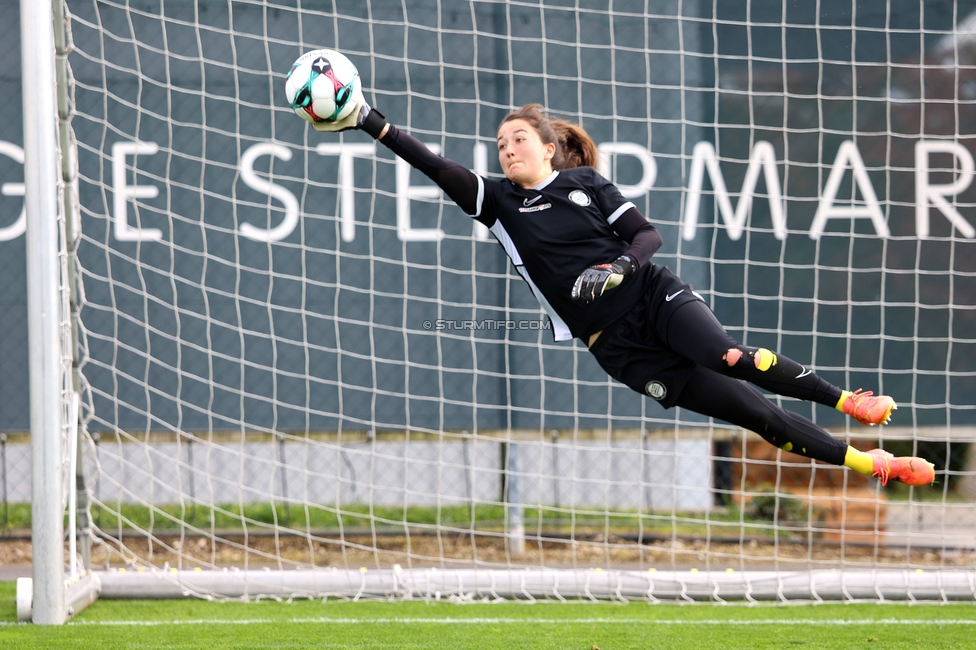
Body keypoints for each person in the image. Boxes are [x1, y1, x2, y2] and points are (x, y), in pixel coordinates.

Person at [313, 97, 935, 488]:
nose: (507, 150)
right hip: (619, 347)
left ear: (549, 147)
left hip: (652, 297)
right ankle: (875, 464)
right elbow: (432, 165)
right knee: (759, 418)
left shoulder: (587, 183)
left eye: (519, 140)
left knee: (729, 355)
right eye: (501, 145)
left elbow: (647, 236)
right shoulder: (498, 204)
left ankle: (848, 400)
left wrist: (619, 266)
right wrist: (369, 119)